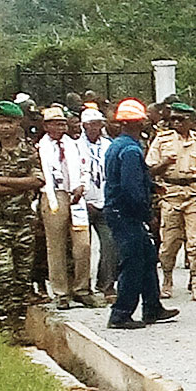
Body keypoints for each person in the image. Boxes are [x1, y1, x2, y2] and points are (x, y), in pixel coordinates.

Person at [104, 98, 180, 330]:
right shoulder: (130, 150)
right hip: (126, 214)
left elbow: (133, 178)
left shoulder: (118, 145)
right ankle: (121, 314)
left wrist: (151, 186)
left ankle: (152, 307)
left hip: (121, 211)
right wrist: (147, 215)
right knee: (133, 263)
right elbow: (131, 189)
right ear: (137, 123)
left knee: (147, 258)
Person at [0, 102, 45, 344]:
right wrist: (22, 184)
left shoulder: (29, 150)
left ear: (18, 123)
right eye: (1, 122)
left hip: (23, 221)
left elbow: (38, 181)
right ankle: (5, 324)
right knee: (4, 273)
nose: (5, 127)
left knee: (23, 276)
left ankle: (20, 324)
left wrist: (4, 180)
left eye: (10, 122)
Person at [147, 102, 196, 301]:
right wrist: (165, 163)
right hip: (171, 193)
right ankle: (167, 281)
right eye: (173, 119)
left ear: (191, 121)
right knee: (169, 243)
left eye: (181, 119)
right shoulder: (162, 140)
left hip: (195, 193)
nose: (176, 123)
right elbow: (149, 169)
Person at [37, 106, 101, 309]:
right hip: (53, 194)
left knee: (83, 245)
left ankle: (82, 289)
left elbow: (85, 167)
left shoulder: (74, 144)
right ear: (46, 126)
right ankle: (61, 292)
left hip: (75, 194)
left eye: (63, 123)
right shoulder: (40, 147)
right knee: (56, 246)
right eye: (56, 124)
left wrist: (82, 186)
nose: (61, 128)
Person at [79, 107, 117, 300]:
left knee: (110, 243)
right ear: (84, 125)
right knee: (82, 247)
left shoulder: (108, 145)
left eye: (98, 124)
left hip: (104, 200)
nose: (95, 128)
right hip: (82, 202)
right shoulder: (75, 146)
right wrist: (83, 199)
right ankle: (81, 287)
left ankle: (106, 283)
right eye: (92, 124)